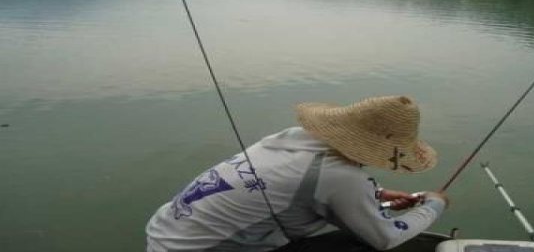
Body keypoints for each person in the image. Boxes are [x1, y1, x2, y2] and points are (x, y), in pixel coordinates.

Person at [146, 95, 448, 251]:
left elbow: (293, 184)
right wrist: (434, 205)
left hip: (165, 236)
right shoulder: (340, 178)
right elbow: (385, 238)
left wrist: (376, 194)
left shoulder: (292, 139)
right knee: (358, 243)